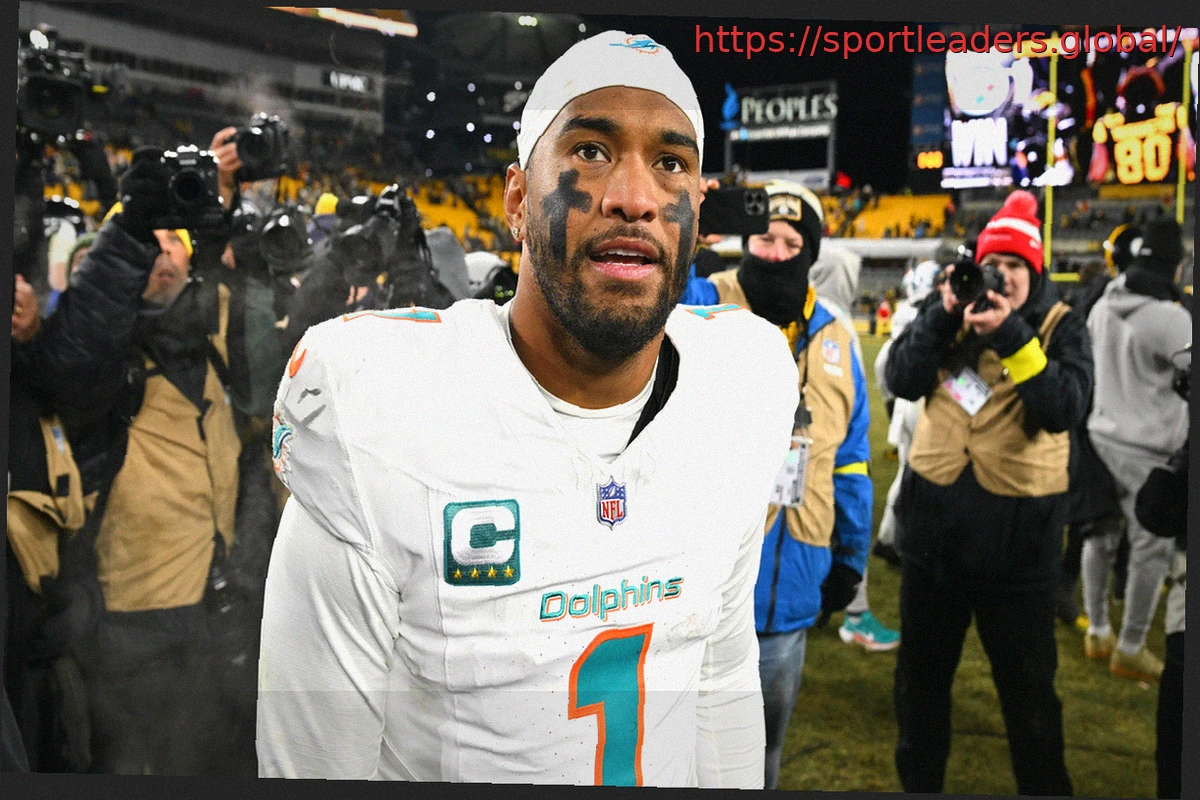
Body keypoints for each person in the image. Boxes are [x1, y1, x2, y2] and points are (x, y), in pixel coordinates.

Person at [256, 30, 798, 787]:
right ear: (517, 199)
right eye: (591, 151)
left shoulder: (742, 383)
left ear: (698, 212)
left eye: (670, 162)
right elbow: (312, 765)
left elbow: (721, 678)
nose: (635, 197)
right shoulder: (380, 411)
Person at [24, 148, 249, 775]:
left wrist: (229, 205)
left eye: (173, 241)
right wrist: (129, 232)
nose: (161, 250)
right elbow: (76, 358)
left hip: (219, 607)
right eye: (149, 241)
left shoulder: (213, 337)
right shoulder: (104, 354)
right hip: (128, 623)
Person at [885, 190, 1091, 796]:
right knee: (920, 688)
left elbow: (1063, 409)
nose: (1000, 278)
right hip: (934, 542)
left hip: (1018, 551)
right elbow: (901, 379)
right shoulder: (945, 309)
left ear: (1036, 273)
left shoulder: (1061, 324)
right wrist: (942, 314)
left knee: (1029, 698)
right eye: (991, 265)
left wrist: (1012, 335)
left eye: (1014, 268)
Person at [681, 181, 873, 787]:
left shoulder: (838, 336)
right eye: (765, 238)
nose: (777, 253)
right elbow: (641, 300)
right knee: (677, 750)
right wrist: (683, 230)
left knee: (762, 754)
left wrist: (851, 557)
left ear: (810, 253)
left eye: (792, 244)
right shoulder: (701, 298)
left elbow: (851, 460)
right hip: (698, 582)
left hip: (791, 584)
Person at [1081, 218, 1190, 682]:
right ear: (1176, 265)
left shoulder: (1104, 302)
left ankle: (1098, 632)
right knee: (1150, 549)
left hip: (1099, 435)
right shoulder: (1171, 318)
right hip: (1147, 448)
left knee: (1100, 536)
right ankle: (1129, 646)